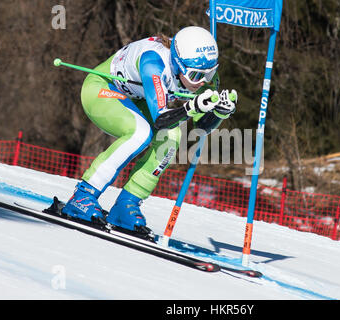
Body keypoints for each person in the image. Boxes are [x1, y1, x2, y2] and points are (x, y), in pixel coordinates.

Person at [61, 26, 237, 239]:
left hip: (138, 99)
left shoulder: (201, 74)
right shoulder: (153, 62)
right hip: (101, 89)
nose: (203, 81)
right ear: (178, 63)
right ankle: (83, 196)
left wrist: (220, 113)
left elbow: (202, 127)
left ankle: (126, 205)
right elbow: (161, 119)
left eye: (209, 73)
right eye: (196, 74)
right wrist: (192, 107)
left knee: (171, 138)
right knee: (141, 132)